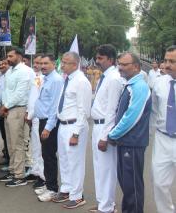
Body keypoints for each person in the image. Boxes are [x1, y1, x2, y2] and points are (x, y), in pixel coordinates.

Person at [108, 52, 152, 213]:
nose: (120, 67)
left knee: (132, 184)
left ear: (136, 67)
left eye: (125, 65)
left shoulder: (139, 87)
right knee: (127, 184)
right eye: (119, 64)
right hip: (126, 142)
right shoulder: (130, 85)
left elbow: (132, 117)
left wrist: (113, 134)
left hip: (132, 143)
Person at [52, 51, 91, 209]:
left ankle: (77, 195)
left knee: (75, 162)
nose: (62, 65)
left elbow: (83, 111)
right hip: (63, 125)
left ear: (75, 64)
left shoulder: (81, 81)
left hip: (75, 126)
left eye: (66, 62)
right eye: (62, 61)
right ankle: (67, 189)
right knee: (65, 160)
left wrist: (76, 133)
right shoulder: (67, 80)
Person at [89, 45, 123, 213]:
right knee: (99, 169)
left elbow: (112, 110)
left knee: (107, 170)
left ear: (111, 59)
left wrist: (105, 136)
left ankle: (108, 207)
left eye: (101, 58)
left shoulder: (114, 78)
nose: (97, 61)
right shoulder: (105, 77)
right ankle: (103, 202)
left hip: (105, 128)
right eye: (97, 57)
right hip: (97, 126)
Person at [31, 54, 64, 202]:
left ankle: (52, 189)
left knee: (49, 156)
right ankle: (49, 184)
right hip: (42, 121)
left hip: (48, 124)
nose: (42, 66)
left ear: (53, 64)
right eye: (41, 63)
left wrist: (48, 128)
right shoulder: (47, 79)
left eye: (46, 63)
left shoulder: (56, 80)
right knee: (45, 155)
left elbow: (54, 107)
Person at [0, 48, 32, 187]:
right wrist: (5, 107)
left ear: (19, 56)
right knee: (10, 143)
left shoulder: (25, 71)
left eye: (11, 56)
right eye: (7, 56)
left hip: (18, 109)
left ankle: (20, 176)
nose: (8, 58)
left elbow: (20, 93)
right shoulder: (10, 71)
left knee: (18, 143)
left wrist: (6, 106)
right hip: (9, 110)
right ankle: (13, 170)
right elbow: (7, 91)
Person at [151, 45, 176, 213]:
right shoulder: (159, 83)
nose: (167, 65)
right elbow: (154, 111)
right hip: (162, 139)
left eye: (172, 61)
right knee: (159, 183)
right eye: (166, 60)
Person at [26, 54, 45, 185]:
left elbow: (37, 99)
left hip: (39, 116)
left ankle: (42, 176)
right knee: (35, 147)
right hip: (33, 117)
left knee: (40, 147)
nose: (37, 65)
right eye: (36, 62)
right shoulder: (35, 77)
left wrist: (30, 114)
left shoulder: (43, 79)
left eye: (40, 63)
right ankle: (35, 171)